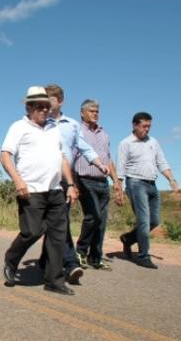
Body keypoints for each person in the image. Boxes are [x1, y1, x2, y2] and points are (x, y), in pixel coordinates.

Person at [1, 86, 78, 296]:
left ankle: (54, 280)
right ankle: (11, 259)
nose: (44, 110)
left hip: (54, 190)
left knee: (58, 236)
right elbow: (5, 156)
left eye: (47, 106)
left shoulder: (54, 128)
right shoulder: (19, 127)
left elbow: (62, 157)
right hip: (31, 190)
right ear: (29, 107)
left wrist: (70, 184)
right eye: (39, 106)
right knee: (32, 231)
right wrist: (18, 181)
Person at [40, 84, 108, 284]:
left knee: (60, 222)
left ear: (60, 101)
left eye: (50, 99)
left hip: (65, 178)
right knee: (56, 223)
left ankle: (54, 262)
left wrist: (99, 163)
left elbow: (84, 147)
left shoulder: (71, 124)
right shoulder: (40, 122)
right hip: (45, 177)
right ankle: (69, 262)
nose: (46, 103)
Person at [117, 112, 179, 269]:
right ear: (135, 125)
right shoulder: (126, 143)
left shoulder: (153, 142)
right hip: (135, 184)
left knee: (154, 221)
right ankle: (143, 256)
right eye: (144, 126)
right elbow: (120, 168)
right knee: (144, 221)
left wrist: (171, 179)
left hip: (152, 184)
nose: (147, 129)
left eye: (149, 126)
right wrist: (119, 189)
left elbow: (162, 162)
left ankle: (129, 239)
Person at [74, 100, 123, 270]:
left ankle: (96, 257)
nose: (95, 113)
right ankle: (80, 251)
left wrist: (116, 181)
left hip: (103, 182)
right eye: (91, 111)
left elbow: (108, 160)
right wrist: (73, 184)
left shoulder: (104, 134)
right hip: (84, 180)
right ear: (82, 113)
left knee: (101, 221)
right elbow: (70, 157)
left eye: (97, 111)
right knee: (92, 217)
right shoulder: (77, 131)